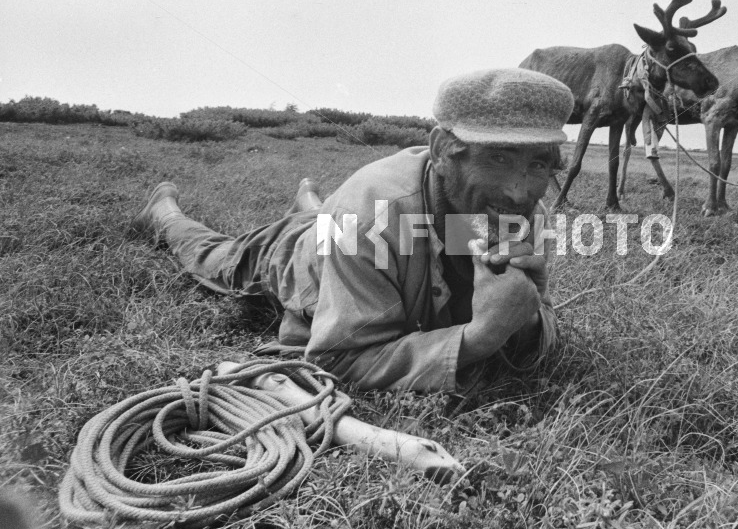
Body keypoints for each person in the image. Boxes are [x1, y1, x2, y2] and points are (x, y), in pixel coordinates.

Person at [132, 68, 574, 394]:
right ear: (443, 151)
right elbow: (338, 357)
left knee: (329, 219)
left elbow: (529, 324)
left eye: (537, 163)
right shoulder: (365, 217)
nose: (519, 192)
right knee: (220, 257)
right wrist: (479, 340)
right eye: (498, 158)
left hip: (338, 224)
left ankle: (310, 204)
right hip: (301, 254)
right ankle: (166, 214)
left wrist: (531, 317)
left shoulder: (510, 212)